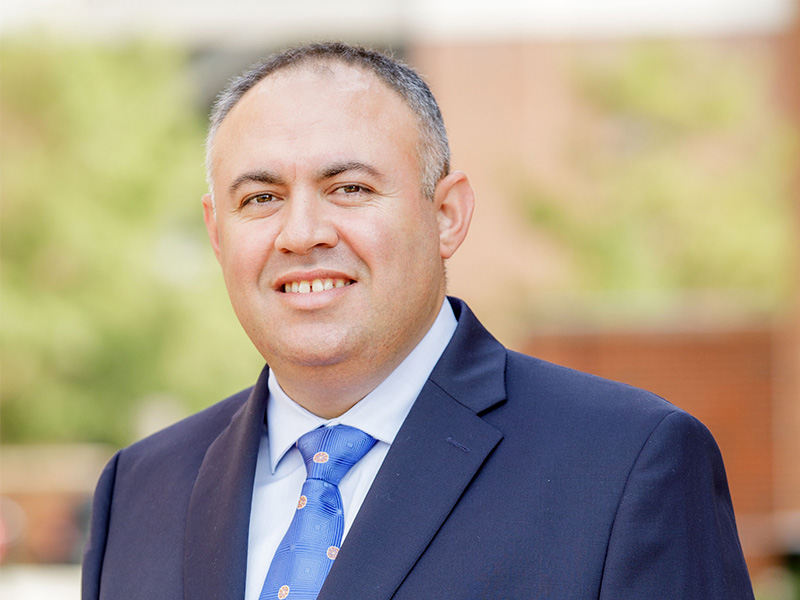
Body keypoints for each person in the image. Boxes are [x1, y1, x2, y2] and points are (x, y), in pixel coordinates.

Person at [82, 42, 754, 600]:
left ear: (447, 215)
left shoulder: (628, 466)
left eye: (349, 188)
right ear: (216, 232)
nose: (302, 232)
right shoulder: (139, 490)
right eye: (261, 198)